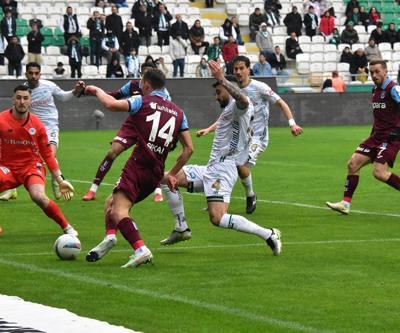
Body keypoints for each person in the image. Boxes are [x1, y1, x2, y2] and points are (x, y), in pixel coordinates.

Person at [160, 60, 282, 255]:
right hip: (211, 168)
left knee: (217, 218)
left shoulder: (239, 106)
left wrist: (222, 79)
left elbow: (243, 100)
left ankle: (268, 234)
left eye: (218, 92)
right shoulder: (230, 110)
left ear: (228, 88)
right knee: (165, 178)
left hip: (224, 170)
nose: (217, 97)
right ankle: (181, 227)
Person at [84, 68, 193, 268]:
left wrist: (95, 90)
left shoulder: (142, 101)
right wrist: (172, 173)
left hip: (137, 166)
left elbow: (110, 104)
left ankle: (140, 249)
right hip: (155, 173)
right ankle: (110, 237)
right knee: (111, 202)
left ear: (146, 85)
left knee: (119, 211)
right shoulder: (179, 112)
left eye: (142, 83)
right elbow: (189, 149)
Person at [197, 56, 303, 214]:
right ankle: (217, 196)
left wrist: (292, 123)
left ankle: (250, 195)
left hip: (257, 137)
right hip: (241, 136)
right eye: (235, 69)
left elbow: (281, 102)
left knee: (241, 165)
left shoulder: (260, 87)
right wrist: (208, 129)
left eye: (241, 68)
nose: (238, 72)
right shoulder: (232, 89)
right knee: (225, 163)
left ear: (248, 70)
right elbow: (226, 117)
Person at [82, 63, 171, 201]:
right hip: (133, 125)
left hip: (150, 127)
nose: (143, 79)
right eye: (143, 74)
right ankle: (93, 189)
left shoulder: (163, 94)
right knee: (112, 152)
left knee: (155, 156)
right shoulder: (132, 85)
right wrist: (94, 93)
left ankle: (157, 190)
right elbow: (115, 96)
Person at [0, 62, 85, 202]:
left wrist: (75, 91)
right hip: (30, 128)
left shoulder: (49, 86)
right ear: (26, 74)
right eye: (30, 73)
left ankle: (57, 181)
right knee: (13, 157)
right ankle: (11, 190)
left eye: (36, 73)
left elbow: (63, 97)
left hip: (50, 126)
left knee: (49, 154)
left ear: (40, 74)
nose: (33, 76)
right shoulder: (23, 91)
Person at [0, 85, 77, 236]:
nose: (22, 101)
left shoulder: (37, 124)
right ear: (13, 100)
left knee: (38, 196)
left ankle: (67, 227)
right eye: (19, 98)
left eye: (25, 98)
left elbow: (47, 154)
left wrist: (60, 179)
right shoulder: (1, 120)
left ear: (30, 101)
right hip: (7, 167)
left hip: (31, 167)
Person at [326, 60, 400, 215]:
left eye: (377, 71)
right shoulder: (374, 90)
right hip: (376, 137)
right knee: (353, 164)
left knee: (379, 173)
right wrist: (373, 133)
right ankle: (345, 204)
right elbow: (379, 117)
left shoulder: (393, 88)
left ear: (385, 71)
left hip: (391, 138)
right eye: (371, 72)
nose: (374, 75)